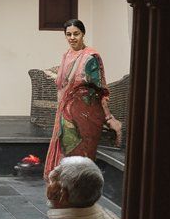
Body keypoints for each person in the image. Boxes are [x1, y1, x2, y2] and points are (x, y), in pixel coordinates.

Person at [44, 18, 122, 179]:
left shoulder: (90, 57)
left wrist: (108, 117)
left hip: (87, 113)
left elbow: (100, 90)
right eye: (69, 34)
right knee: (68, 151)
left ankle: (82, 185)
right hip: (67, 112)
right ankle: (69, 185)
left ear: (83, 34)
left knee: (84, 154)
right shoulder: (67, 55)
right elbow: (64, 82)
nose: (72, 38)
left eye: (76, 34)